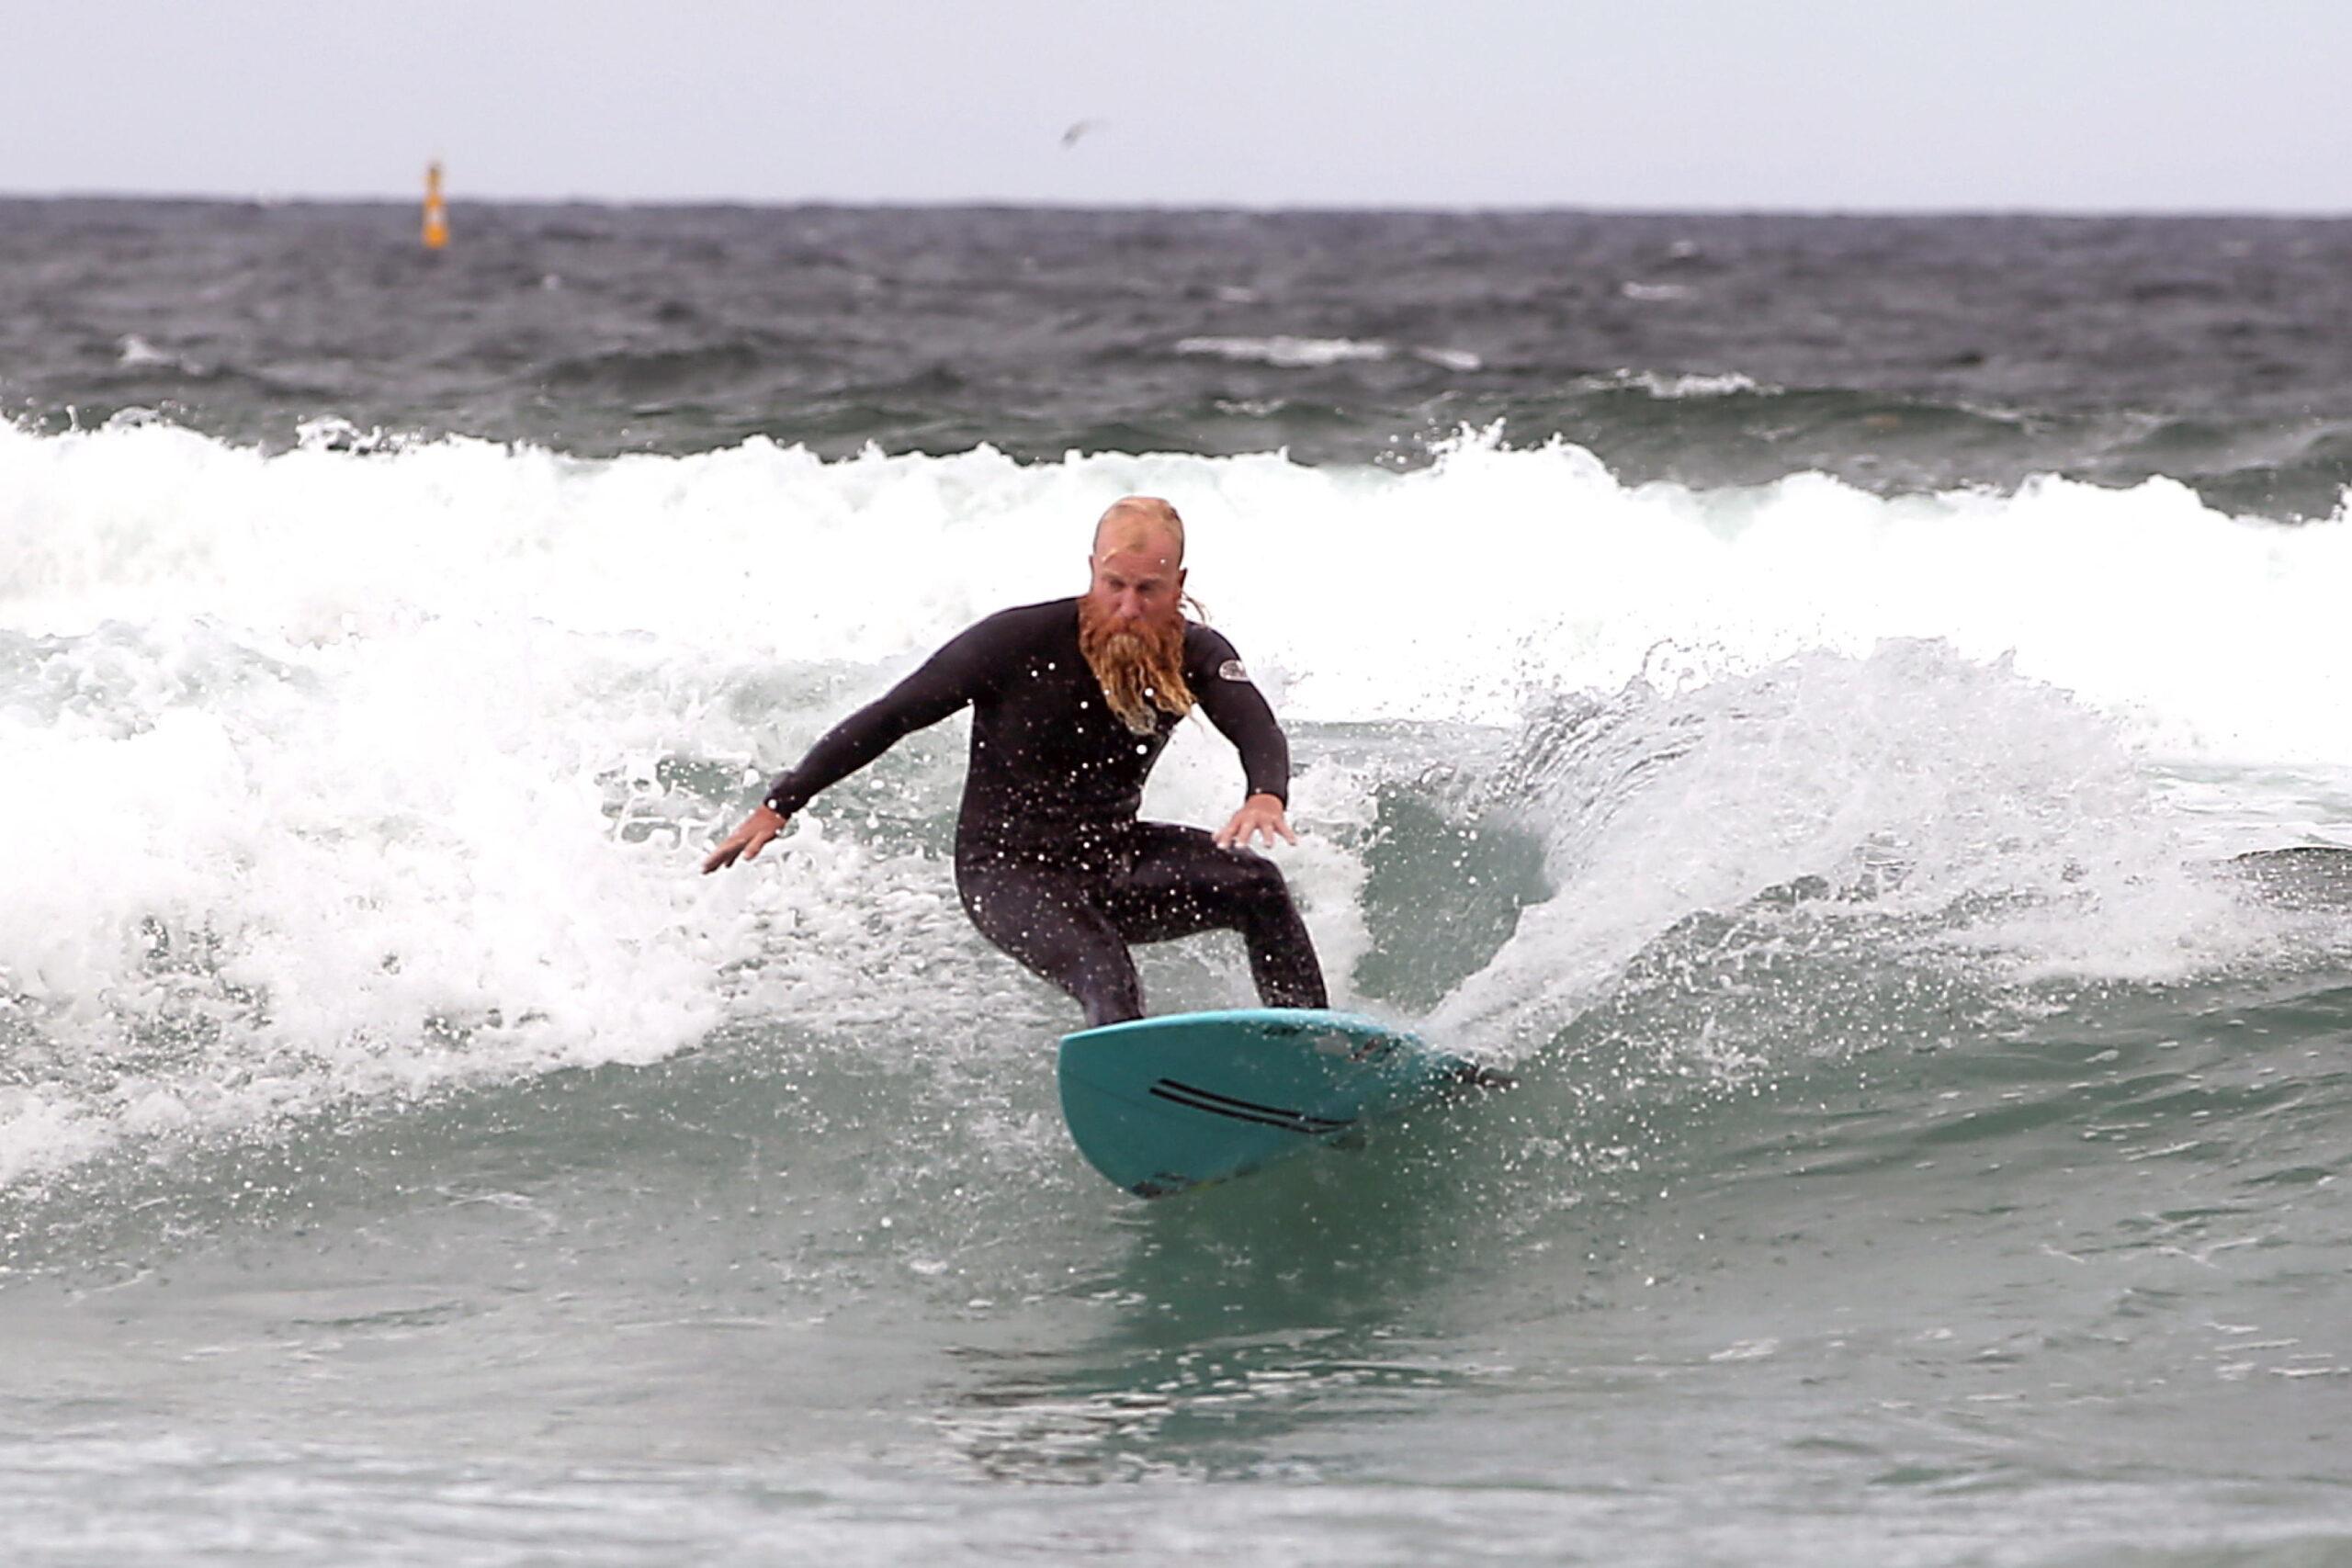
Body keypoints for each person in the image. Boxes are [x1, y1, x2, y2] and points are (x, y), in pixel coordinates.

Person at [702, 495, 1329, 1030]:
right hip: (1007, 871)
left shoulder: (1195, 652)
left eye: (1149, 590)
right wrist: (782, 801)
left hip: (1112, 857)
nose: (1130, 607)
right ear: (1091, 571)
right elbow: (893, 714)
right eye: (1115, 585)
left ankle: (1312, 1050)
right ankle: (1136, 1107)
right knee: (1104, 969)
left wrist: (1265, 794)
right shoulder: (1015, 642)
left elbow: (1256, 725)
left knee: (1259, 887)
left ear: (1179, 585)